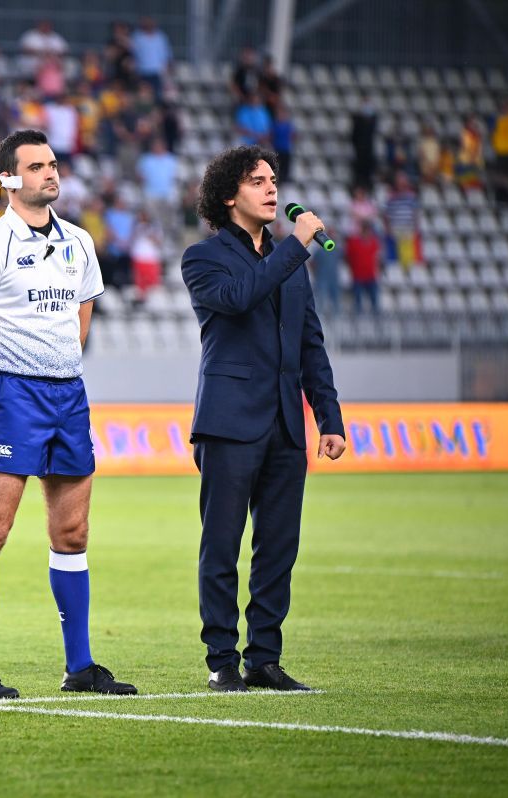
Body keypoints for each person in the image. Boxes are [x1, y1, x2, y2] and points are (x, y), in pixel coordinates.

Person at [0, 129, 135, 699]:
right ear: (8, 179)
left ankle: (79, 666)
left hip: (67, 396)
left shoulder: (80, 242)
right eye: (36, 166)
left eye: (53, 164)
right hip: (12, 397)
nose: (50, 173)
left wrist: (58, 369)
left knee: (73, 532)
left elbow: (82, 319)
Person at [181, 146, 345, 693]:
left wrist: (331, 419)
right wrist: (295, 248)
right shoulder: (203, 258)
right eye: (258, 181)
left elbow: (310, 344)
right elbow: (240, 297)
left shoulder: (289, 259)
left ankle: (265, 657)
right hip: (228, 422)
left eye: (274, 179)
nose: (272, 189)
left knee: (279, 547)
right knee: (222, 544)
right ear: (230, 196)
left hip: (283, 425)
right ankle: (222, 659)